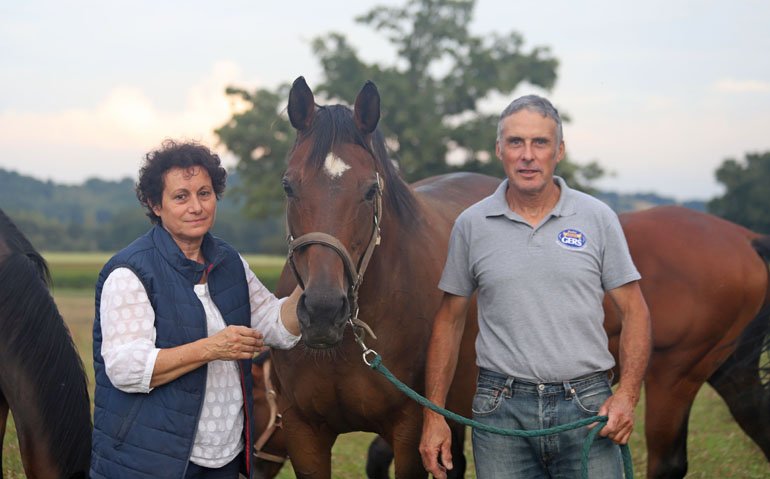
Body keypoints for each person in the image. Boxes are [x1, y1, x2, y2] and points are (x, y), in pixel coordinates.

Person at [419, 95, 651, 478]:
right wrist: (434, 415)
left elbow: (635, 311)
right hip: (500, 409)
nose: (527, 155)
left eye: (540, 142)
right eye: (516, 142)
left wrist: (626, 394)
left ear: (558, 151)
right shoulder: (471, 225)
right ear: (500, 150)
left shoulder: (597, 218)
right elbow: (449, 320)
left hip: (587, 405)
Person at [90, 140, 302, 479]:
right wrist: (213, 348)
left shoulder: (230, 262)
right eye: (181, 196)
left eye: (205, 193)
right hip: (150, 460)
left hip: (224, 456)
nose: (196, 207)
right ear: (155, 205)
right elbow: (126, 369)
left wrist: (314, 279)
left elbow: (275, 324)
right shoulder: (130, 272)